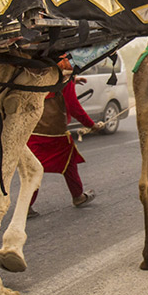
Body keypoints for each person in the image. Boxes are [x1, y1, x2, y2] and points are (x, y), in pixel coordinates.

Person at [26, 59, 104, 217]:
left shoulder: (34, 74)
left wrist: (74, 80)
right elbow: (74, 107)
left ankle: (27, 205)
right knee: (67, 163)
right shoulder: (65, 79)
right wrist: (91, 125)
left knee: (34, 169)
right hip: (55, 133)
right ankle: (77, 196)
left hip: (32, 131)